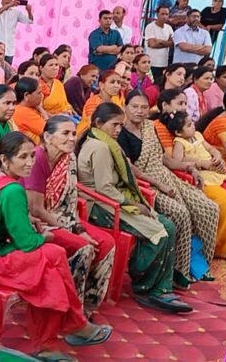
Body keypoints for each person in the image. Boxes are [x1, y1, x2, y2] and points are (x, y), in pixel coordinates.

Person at [0, 133, 111, 360]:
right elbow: (27, 242)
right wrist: (46, 236)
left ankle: (64, 333)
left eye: (32, 156)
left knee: (51, 263)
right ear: (5, 160)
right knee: (51, 260)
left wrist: (25, 219)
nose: (30, 163)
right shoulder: (12, 190)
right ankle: (66, 330)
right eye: (23, 157)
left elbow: (0, 215)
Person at [77, 102, 192, 313]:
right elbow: (103, 188)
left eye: (120, 125)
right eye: (114, 125)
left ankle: (161, 286)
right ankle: (146, 287)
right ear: (99, 123)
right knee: (160, 233)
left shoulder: (106, 142)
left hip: (114, 199)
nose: (118, 129)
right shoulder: (100, 147)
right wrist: (134, 205)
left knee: (168, 226)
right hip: (102, 206)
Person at [118, 91, 219, 287]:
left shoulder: (150, 126)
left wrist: (190, 168)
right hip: (146, 184)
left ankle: (198, 264)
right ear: (125, 107)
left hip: (166, 175)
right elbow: (130, 169)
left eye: (144, 107)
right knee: (180, 213)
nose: (139, 111)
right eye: (134, 106)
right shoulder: (121, 133)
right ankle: (178, 269)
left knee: (209, 208)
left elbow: (164, 158)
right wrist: (160, 185)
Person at [22, 116, 115, 316]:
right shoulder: (36, 159)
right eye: (65, 133)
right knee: (84, 247)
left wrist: (79, 229)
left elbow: (70, 203)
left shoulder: (69, 158)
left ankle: (88, 306)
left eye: (73, 133)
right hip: (38, 222)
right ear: (48, 137)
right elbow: (36, 209)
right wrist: (70, 231)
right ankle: (70, 310)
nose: (72, 138)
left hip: (66, 219)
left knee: (106, 243)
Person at [163, 110, 226, 260]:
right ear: (178, 132)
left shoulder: (198, 135)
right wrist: (201, 163)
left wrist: (216, 156)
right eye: (189, 125)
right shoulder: (180, 143)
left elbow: (210, 148)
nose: (193, 126)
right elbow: (178, 161)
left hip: (216, 174)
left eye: (192, 123)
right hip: (202, 177)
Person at [0, 0, 33, 64]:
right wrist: (10, 5)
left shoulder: (16, 12)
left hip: (9, 49)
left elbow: (30, 21)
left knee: (7, 71)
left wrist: (29, 11)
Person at [77, 70, 124, 136]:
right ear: (101, 85)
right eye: (112, 82)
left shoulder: (115, 100)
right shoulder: (93, 102)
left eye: (118, 83)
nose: (117, 86)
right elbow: (91, 125)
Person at [144, 6, 175, 83]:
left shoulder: (169, 28)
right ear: (157, 14)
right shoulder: (150, 27)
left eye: (166, 14)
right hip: (152, 63)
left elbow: (172, 43)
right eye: (162, 14)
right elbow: (152, 44)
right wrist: (166, 43)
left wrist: (159, 41)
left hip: (164, 63)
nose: (164, 16)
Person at [12, 77, 47, 144]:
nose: (42, 95)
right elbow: (52, 132)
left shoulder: (20, 108)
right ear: (26, 95)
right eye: (39, 93)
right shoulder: (23, 112)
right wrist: (42, 111)